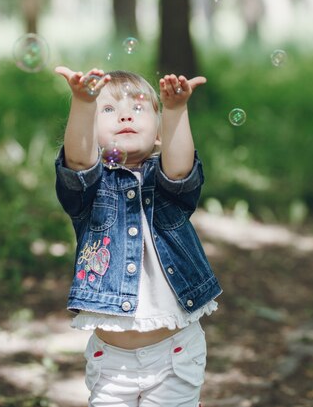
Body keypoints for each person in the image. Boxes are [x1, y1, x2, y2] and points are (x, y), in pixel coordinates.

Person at [54, 65, 222, 407]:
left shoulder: (166, 185)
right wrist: (83, 103)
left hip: (174, 354)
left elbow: (179, 168)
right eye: (109, 109)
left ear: (158, 134)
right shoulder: (91, 189)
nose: (125, 116)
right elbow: (78, 160)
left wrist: (175, 110)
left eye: (139, 107)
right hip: (112, 364)